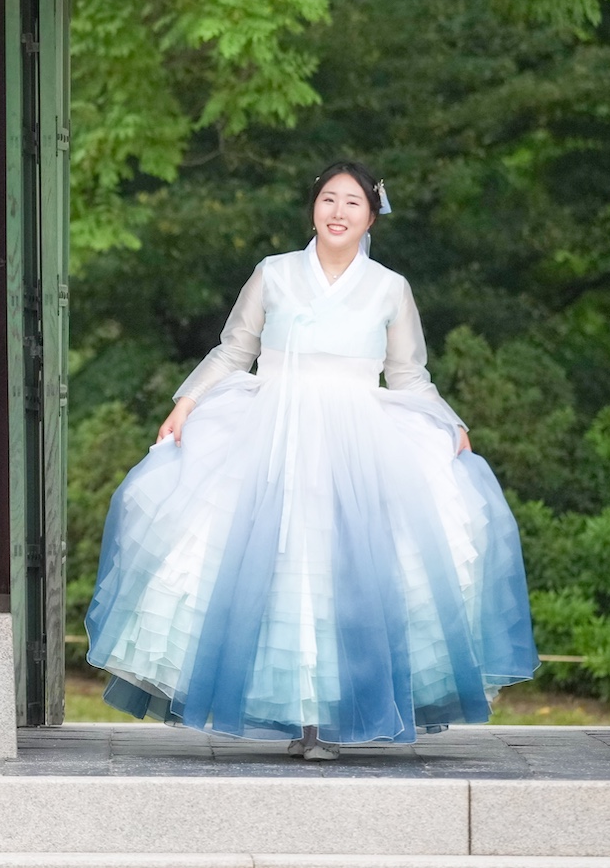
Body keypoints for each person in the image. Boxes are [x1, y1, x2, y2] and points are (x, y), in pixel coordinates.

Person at [84, 161, 537, 758]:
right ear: (313, 208)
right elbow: (234, 350)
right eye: (328, 198)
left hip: (359, 439)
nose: (338, 211)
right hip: (272, 433)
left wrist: (449, 422)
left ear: (371, 217)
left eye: (352, 202)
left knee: (347, 569)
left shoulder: (389, 287)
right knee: (271, 565)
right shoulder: (273, 273)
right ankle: (299, 720)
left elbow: (407, 374)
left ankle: (328, 721)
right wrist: (186, 403)